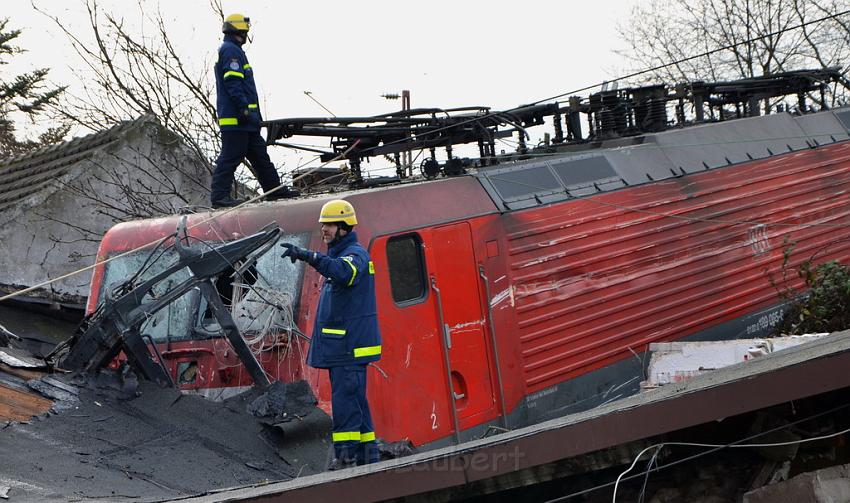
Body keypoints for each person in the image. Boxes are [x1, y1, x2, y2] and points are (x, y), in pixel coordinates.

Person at [281, 199, 382, 469]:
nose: (324, 229)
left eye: (329, 224)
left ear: (344, 227)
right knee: (355, 401)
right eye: (323, 224)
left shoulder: (354, 256)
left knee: (346, 403)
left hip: (349, 347)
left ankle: (346, 458)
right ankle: (368, 457)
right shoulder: (343, 253)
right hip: (344, 347)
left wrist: (309, 256)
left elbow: (343, 273)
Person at [211, 13, 297, 208]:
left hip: (247, 122)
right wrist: (243, 109)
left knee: (260, 156)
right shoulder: (230, 51)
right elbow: (233, 82)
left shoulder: (233, 50)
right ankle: (219, 197)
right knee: (230, 157)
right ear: (239, 31)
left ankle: (274, 189)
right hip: (237, 121)